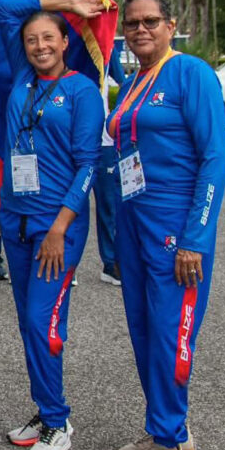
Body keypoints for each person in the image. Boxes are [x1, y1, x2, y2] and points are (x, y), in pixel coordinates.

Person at [110, 0, 225, 450]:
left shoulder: (192, 74)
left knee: (169, 335)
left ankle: (170, 442)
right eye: (132, 24)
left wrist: (194, 239)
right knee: (144, 330)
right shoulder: (135, 80)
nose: (141, 30)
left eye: (151, 21)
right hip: (135, 227)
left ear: (171, 23)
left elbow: (215, 158)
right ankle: (165, 424)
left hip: (175, 230)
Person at [0, 0, 104, 450]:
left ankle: (58, 422)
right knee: (28, 323)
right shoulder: (23, 78)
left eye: (49, 38)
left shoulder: (82, 92)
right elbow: (4, 8)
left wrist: (61, 226)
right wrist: (66, 2)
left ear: (65, 42)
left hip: (55, 228)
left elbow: (88, 165)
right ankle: (44, 410)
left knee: (44, 322)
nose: (40, 46)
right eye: (32, 40)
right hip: (14, 221)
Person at [95, 41, 127, 287]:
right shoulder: (66, 40)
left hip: (103, 141)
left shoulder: (105, 46)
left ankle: (110, 263)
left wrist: (117, 120)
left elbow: (126, 85)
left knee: (108, 204)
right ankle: (64, 262)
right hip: (68, 140)